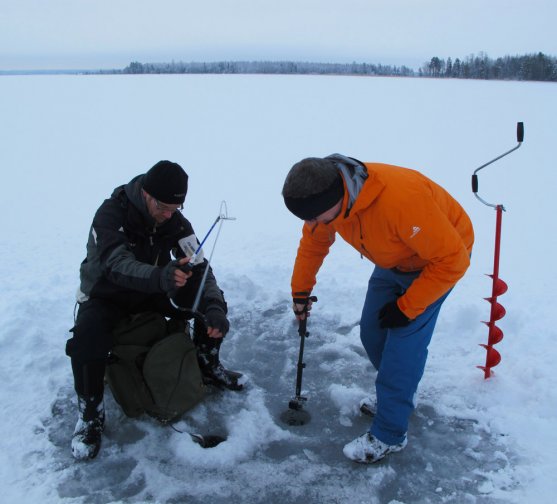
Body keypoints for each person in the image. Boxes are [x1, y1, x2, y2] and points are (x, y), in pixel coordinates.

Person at [282, 154, 474, 463]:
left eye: (316, 217)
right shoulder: (328, 204)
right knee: (372, 334)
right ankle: (397, 396)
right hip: (394, 260)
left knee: (402, 350)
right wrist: (300, 291)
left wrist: (408, 307)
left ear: (339, 197)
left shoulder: (401, 200)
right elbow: (313, 244)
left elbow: (453, 260)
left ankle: (390, 433)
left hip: (436, 264)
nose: (312, 225)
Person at [66, 160, 243, 460]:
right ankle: (90, 414)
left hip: (151, 288)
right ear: (146, 193)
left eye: (176, 208)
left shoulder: (174, 220)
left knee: (203, 297)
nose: (168, 214)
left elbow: (198, 265)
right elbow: (116, 264)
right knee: (86, 339)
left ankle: (207, 362)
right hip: (106, 292)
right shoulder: (111, 214)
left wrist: (213, 308)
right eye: (163, 206)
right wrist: (160, 277)